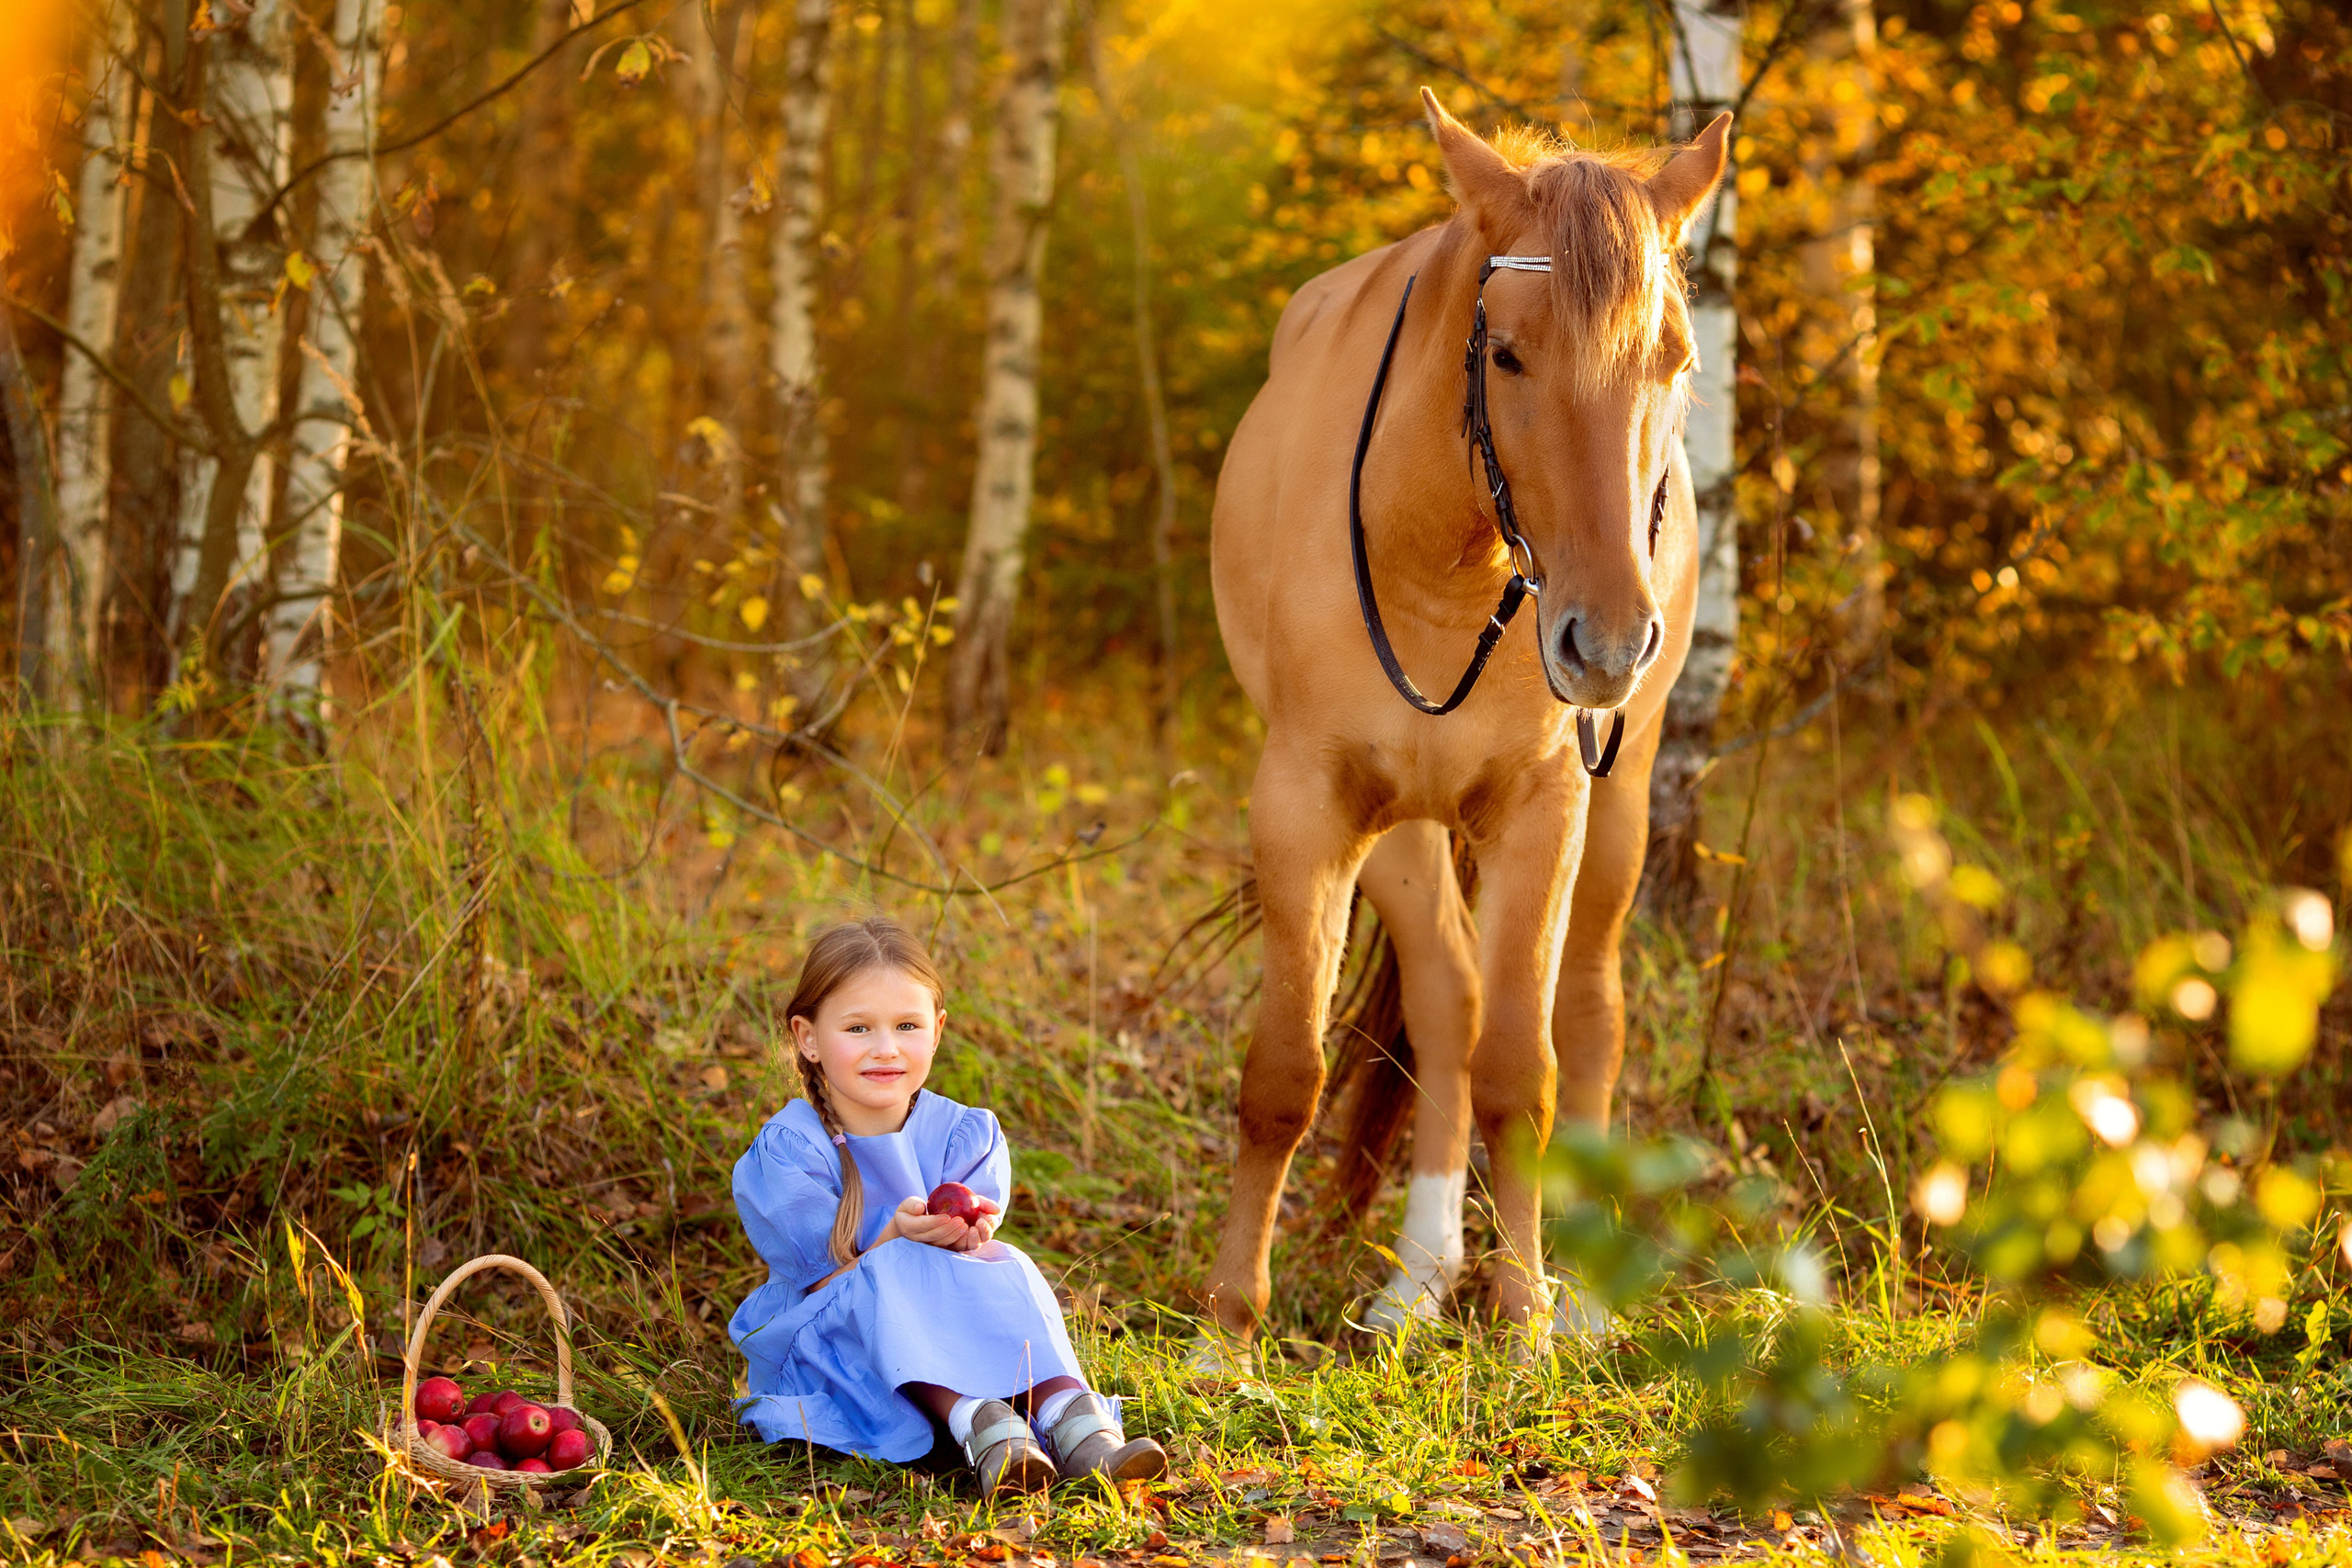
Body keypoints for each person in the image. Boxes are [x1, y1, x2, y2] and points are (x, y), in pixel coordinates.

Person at [729, 916, 1168, 1494]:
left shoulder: (965, 1134)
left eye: (907, 1025)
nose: (886, 1049)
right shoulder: (790, 1148)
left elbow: (968, 1261)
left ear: (936, 1031)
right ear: (808, 1038)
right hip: (830, 1342)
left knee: (1004, 1259)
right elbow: (818, 1283)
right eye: (858, 1028)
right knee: (897, 1264)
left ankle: (1073, 1418)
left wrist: (969, 1236)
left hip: (939, 1323)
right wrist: (894, 1239)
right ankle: (981, 1424)